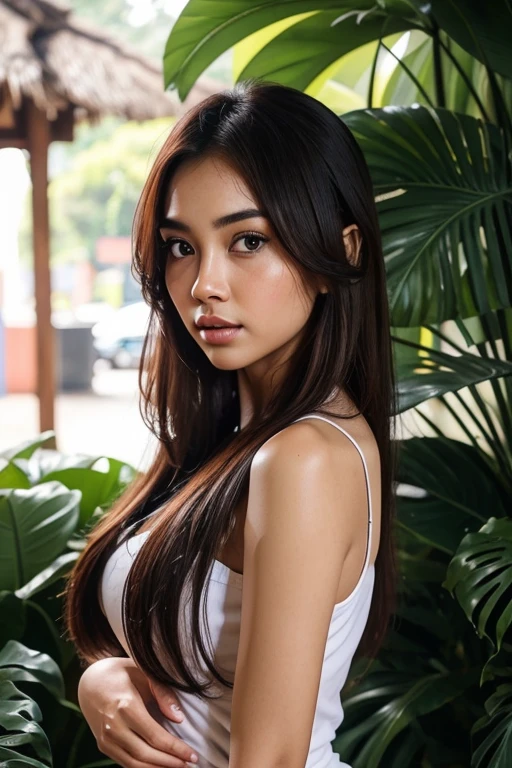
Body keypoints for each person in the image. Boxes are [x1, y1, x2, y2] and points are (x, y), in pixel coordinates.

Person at [64, 79, 398, 768]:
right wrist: (102, 678)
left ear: (343, 253)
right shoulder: (235, 441)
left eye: (248, 240)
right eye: (181, 246)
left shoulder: (305, 457)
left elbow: (269, 759)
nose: (203, 285)